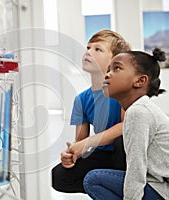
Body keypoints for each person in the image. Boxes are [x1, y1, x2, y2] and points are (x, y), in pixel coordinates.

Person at [83, 48, 169, 199]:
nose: (107, 74)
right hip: (168, 185)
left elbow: (136, 169)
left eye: (117, 68)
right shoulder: (139, 109)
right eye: (108, 69)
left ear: (140, 81)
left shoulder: (139, 112)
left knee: (94, 180)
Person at [51, 30, 131, 193]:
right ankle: (110, 189)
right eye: (88, 47)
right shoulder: (81, 99)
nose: (88, 51)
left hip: (125, 155)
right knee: (59, 176)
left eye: (97, 49)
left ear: (115, 60)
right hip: (102, 154)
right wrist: (71, 155)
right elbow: (80, 140)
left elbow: (126, 125)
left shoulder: (122, 90)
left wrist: (87, 143)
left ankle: (120, 186)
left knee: (121, 141)